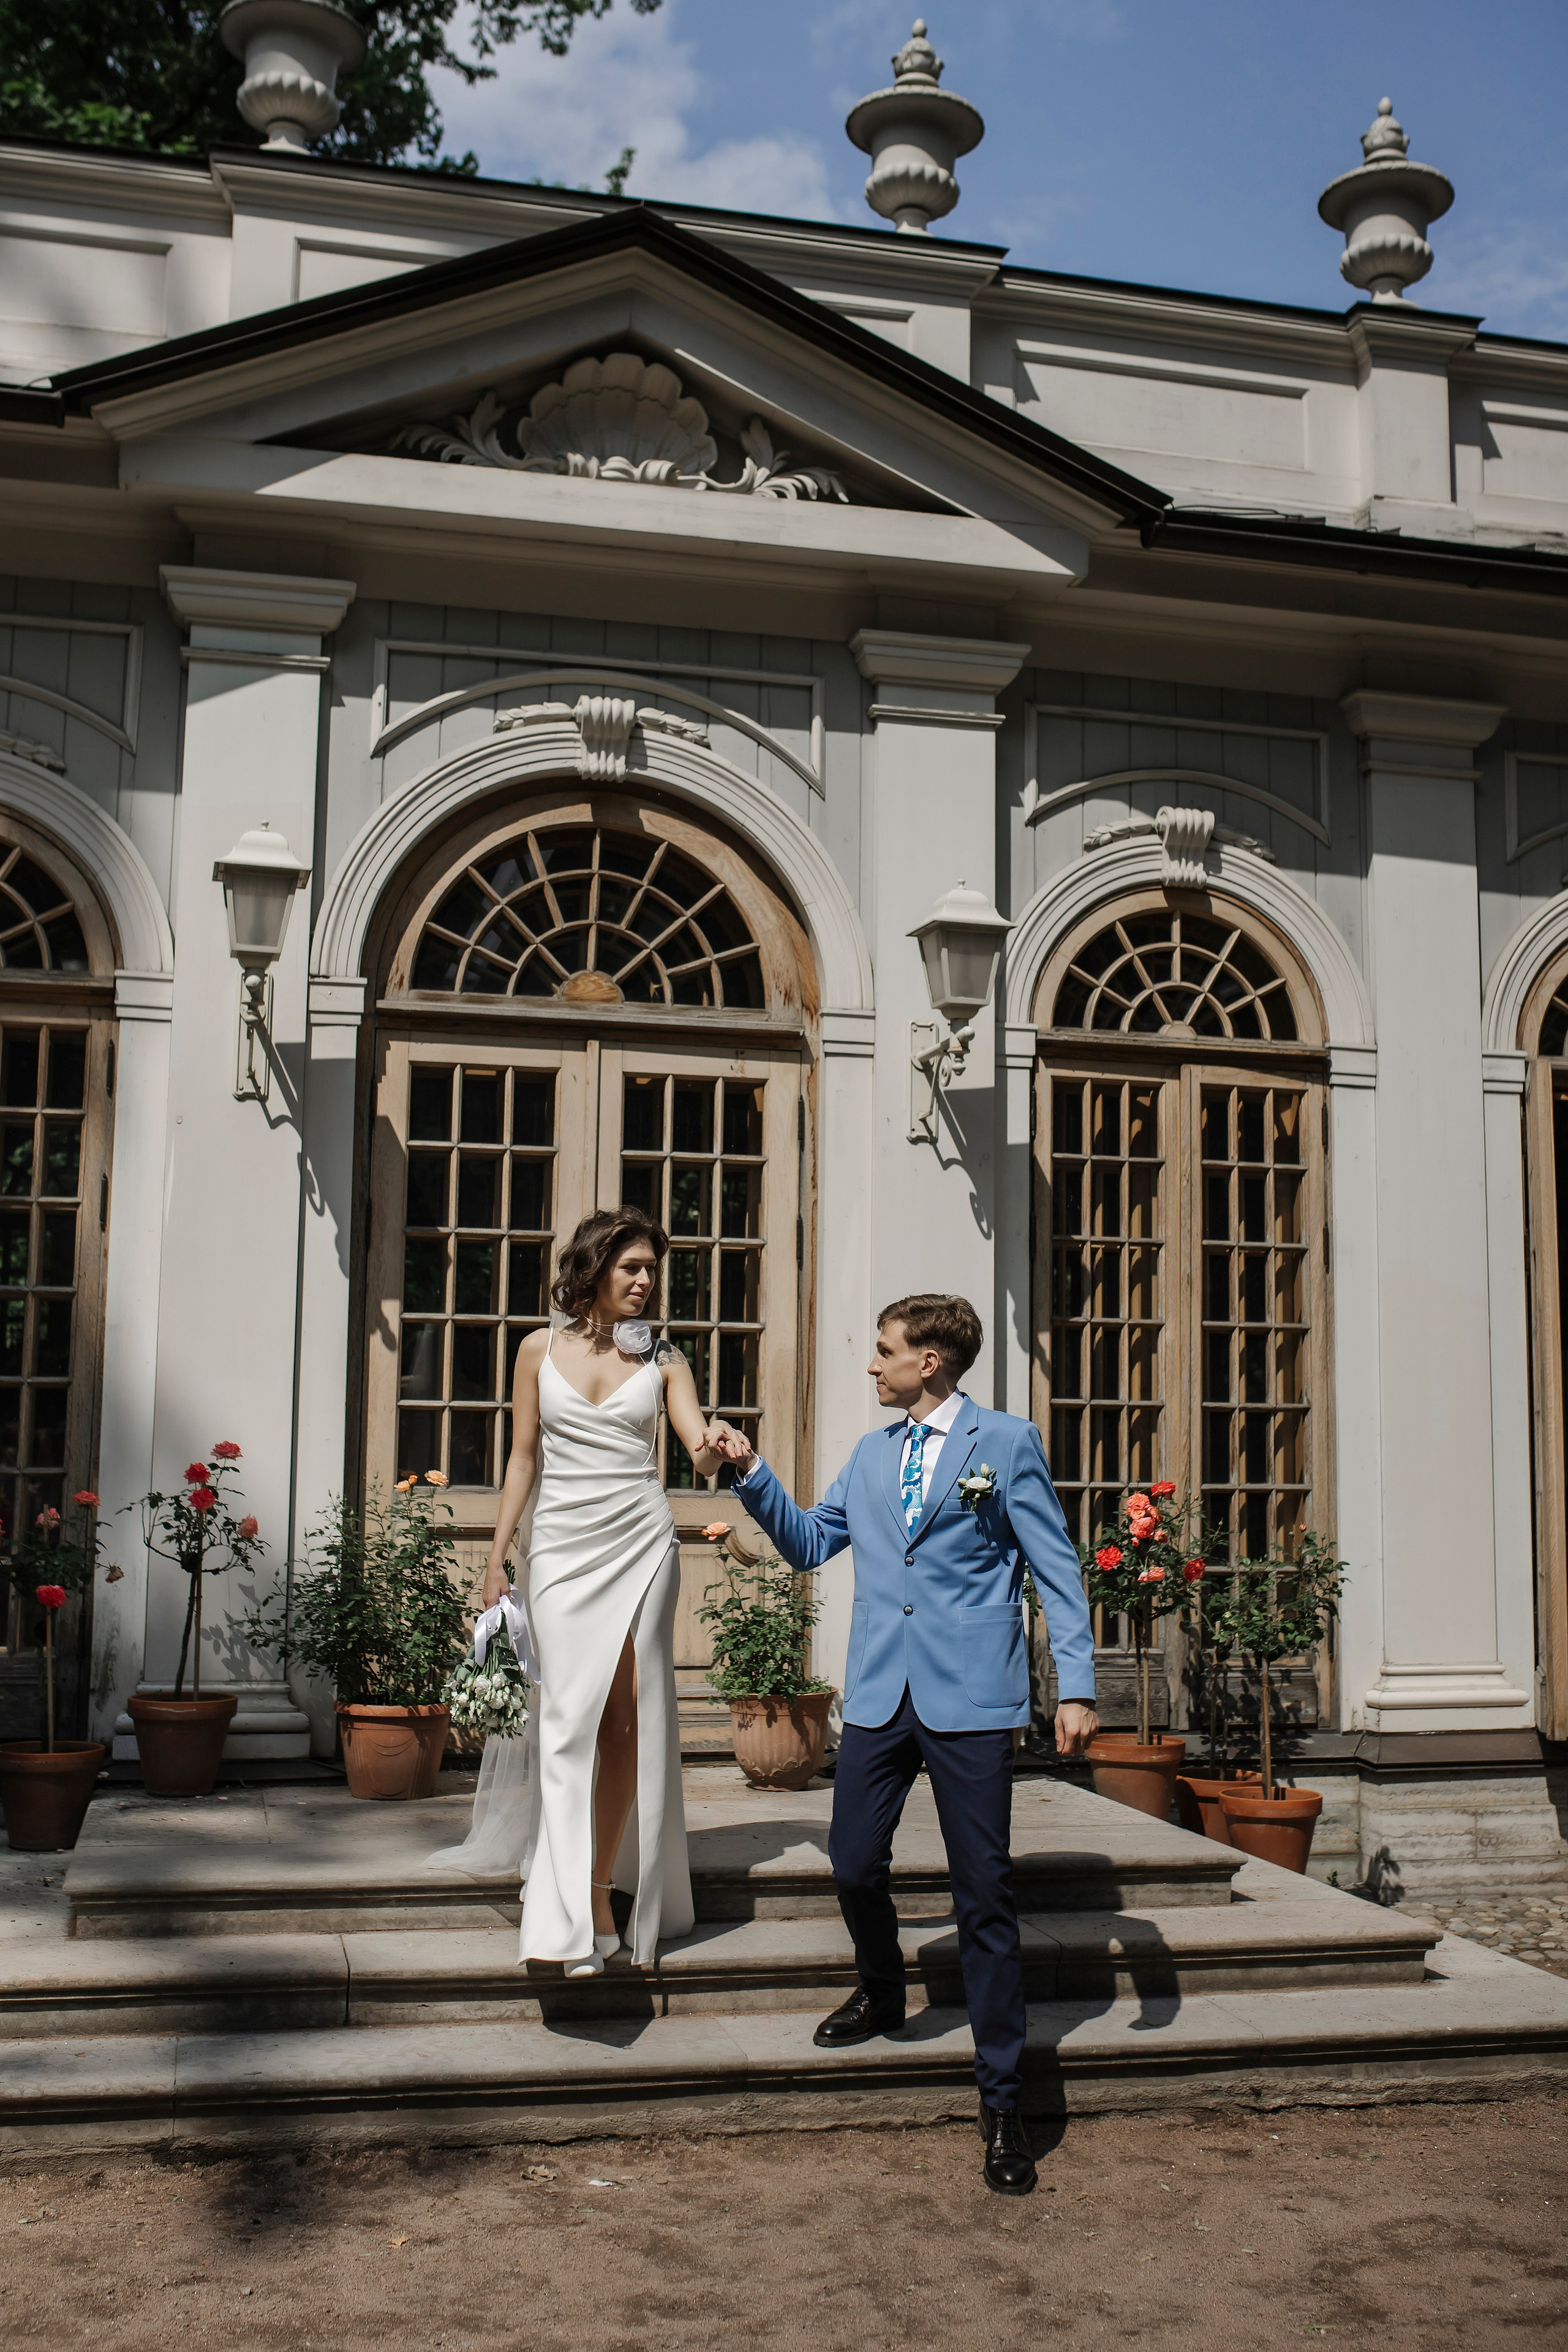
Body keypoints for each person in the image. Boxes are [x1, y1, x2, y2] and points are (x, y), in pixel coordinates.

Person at [708, 1293, 1099, 2197]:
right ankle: (883, 1990)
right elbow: (809, 1545)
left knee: (984, 1896)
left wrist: (1073, 1685)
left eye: (884, 1351)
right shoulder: (870, 1454)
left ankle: (1004, 2104)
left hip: (970, 1697)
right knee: (852, 1864)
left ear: (931, 1362)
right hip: (883, 1692)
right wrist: (750, 1469)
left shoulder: (1005, 1443)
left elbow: (1056, 1564)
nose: (872, 1365)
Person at [481, 1205, 723, 1977]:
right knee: (564, 1718)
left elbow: (697, 1451)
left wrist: (720, 1444)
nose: (647, 1281)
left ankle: (592, 1893)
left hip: (641, 1543)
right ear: (593, 1269)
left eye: (653, 1269)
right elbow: (523, 1458)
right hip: (557, 1547)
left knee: (624, 1722)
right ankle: (557, 1908)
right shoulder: (534, 1350)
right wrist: (496, 1557)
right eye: (633, 1267)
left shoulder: (665, 1359)